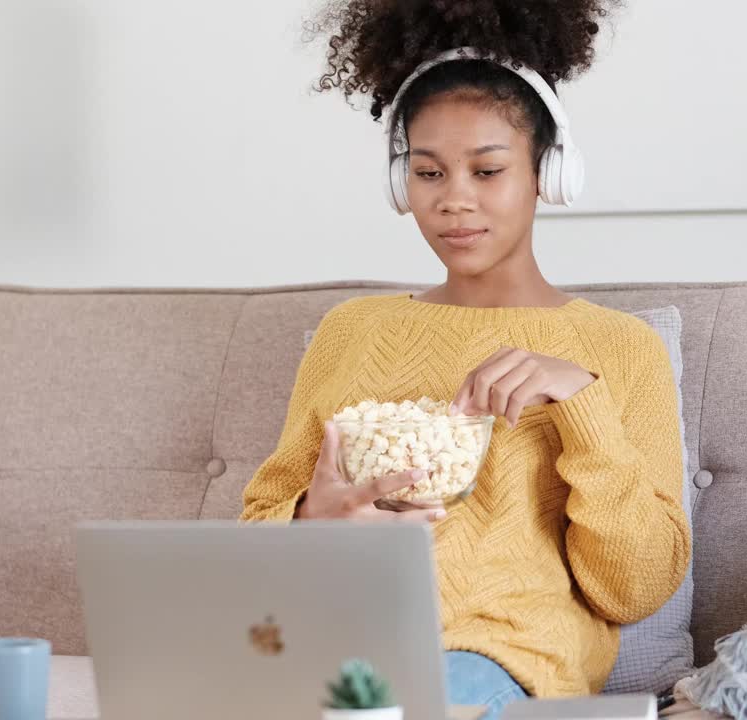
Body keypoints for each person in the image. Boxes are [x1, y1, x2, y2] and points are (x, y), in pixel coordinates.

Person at [241, 2, 689, 717]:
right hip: (327, 641)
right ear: (401, 183)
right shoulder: (351, 331)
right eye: (428, 173)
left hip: (498, 659)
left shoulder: (619, 348)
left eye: (486, 171)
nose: (454, 201)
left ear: (548, 172)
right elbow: (254, 532)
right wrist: (306, 523)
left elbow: (633, 587)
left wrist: (583, 405)